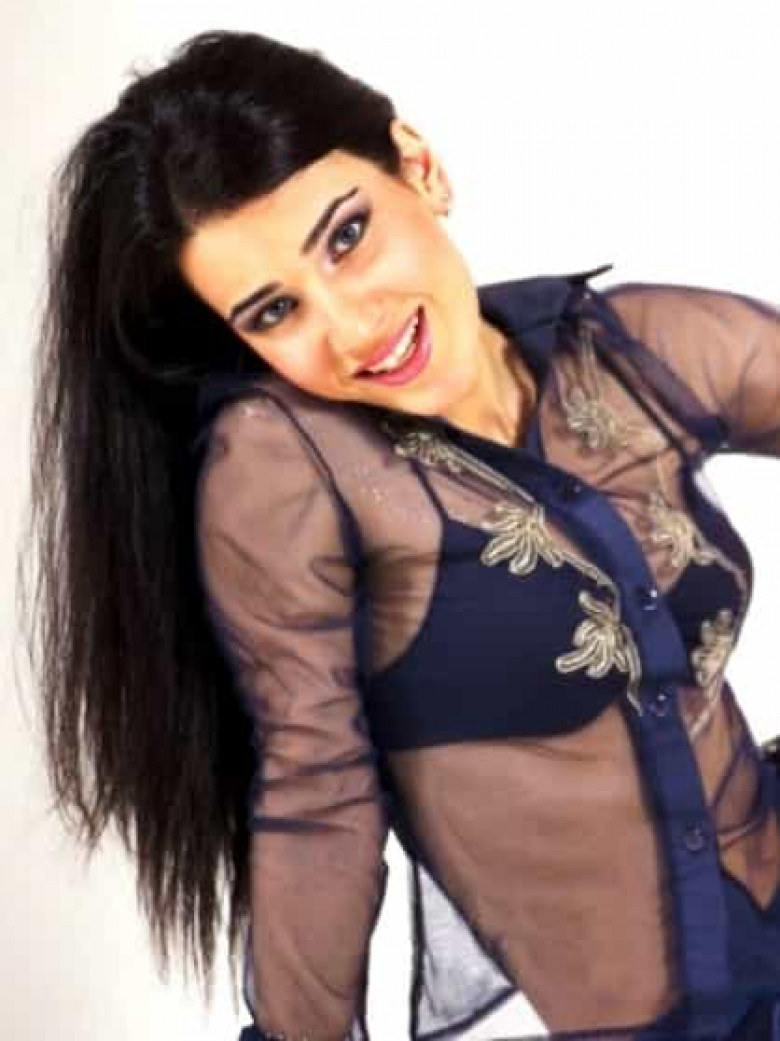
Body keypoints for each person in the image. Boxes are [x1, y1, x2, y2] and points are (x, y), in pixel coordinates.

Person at [25, 27, 780, 1041]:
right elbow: (317, 796)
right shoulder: (292, 465)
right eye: (274, 310)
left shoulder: (627, 354)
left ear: (418, 166)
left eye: (346, 236)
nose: (352, 326)